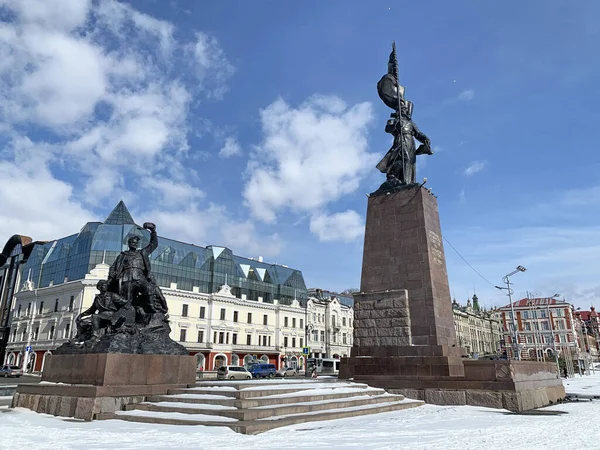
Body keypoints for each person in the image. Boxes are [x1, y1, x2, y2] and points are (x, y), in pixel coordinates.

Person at [376, 103, 432, 185]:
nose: (404, 111)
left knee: (409, 161)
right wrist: (396, 125)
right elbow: (387, 129)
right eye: (401, 110)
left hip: (410, 142)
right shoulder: (393, 121)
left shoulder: (411, 123)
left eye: (405, 110)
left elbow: (418, 133)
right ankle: (392, 174)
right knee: (402, 157)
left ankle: (406, 181)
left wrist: (425, 138)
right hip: (400, 139)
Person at [108, 223, 158, 309]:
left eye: (136, 243)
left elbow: (153, 244)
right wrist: (113, 274)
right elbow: (113, 267)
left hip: (140, 278)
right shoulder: (122, 255)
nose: (134, 244)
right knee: (127, 300)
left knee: (149, 288)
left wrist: (153, 231)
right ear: (129, 244)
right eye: (132, 242)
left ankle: (151, 306)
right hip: (126, 279)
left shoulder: (142, 253)